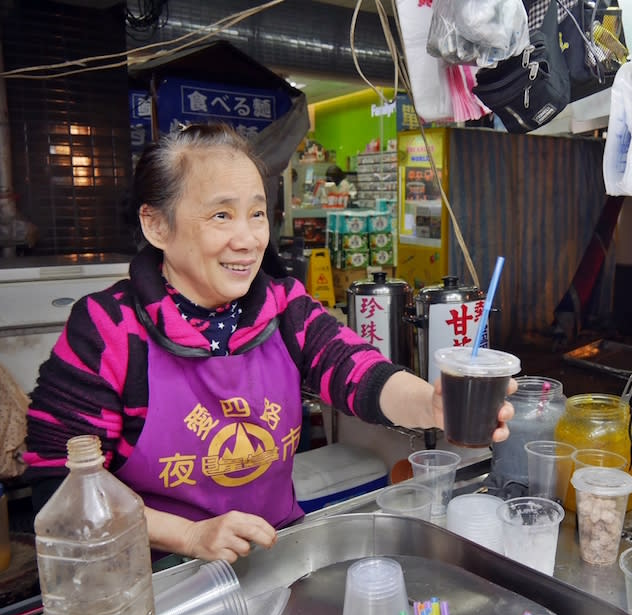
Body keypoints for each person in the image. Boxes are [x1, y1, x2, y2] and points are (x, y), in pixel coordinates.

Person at [23, 123, 516, 563]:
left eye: (257, 215)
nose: (248, 239)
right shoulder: (107, 328)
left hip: (273, 556)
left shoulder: (283, 307)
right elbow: (59, 486)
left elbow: (357, 371)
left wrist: (432, 405)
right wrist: (191, 537)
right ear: (156, 224)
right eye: (221, 216)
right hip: (155, 577)